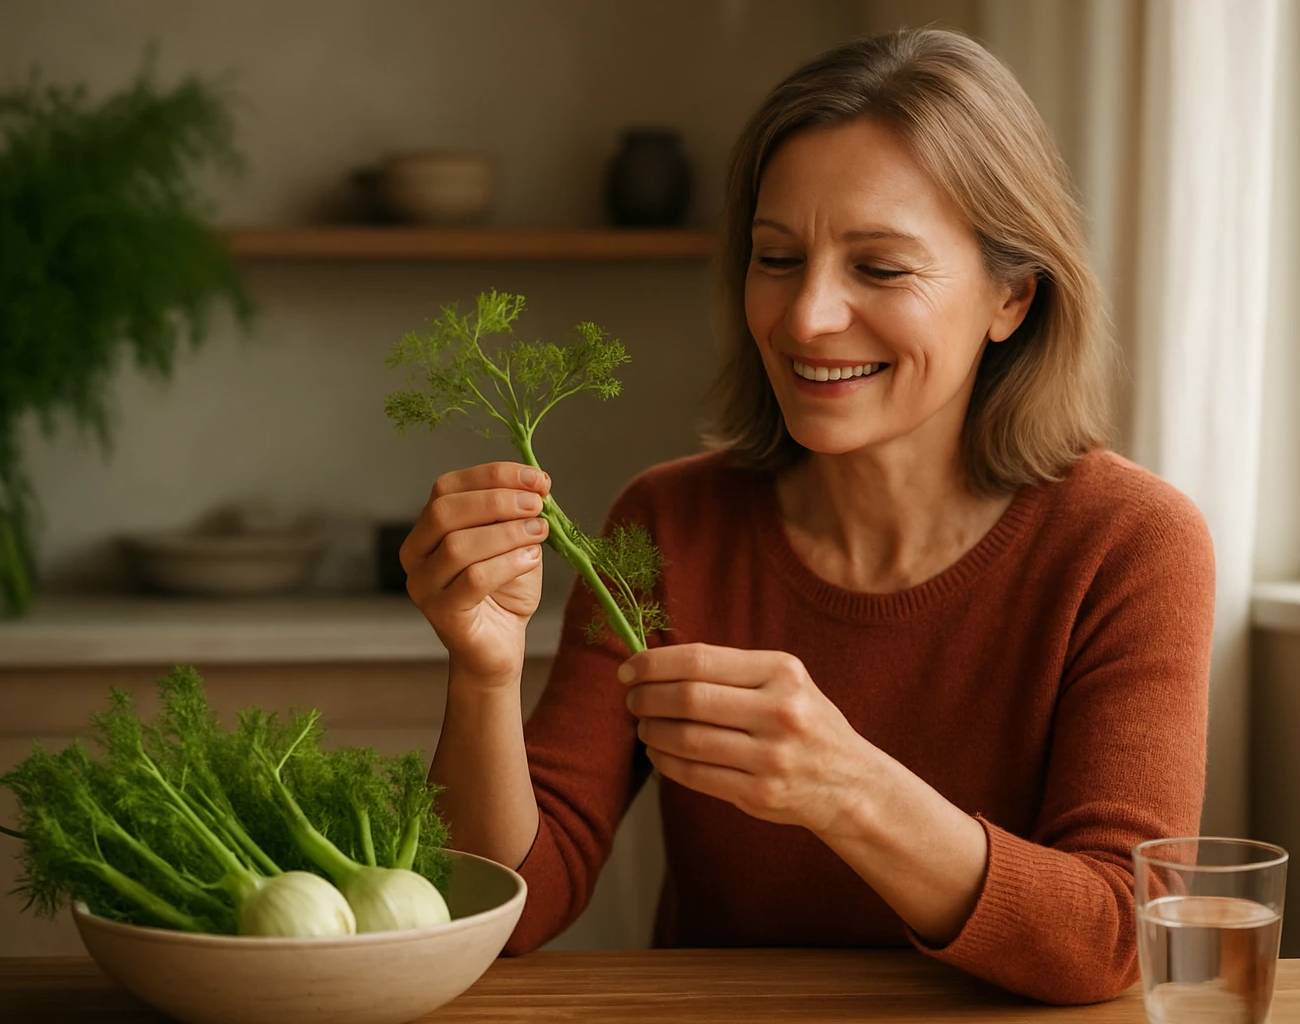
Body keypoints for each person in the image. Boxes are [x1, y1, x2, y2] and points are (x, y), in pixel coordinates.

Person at [405, 26, 1213, 1006]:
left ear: (1012, 298)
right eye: (777, 257)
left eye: (878, 268)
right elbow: (512, 905)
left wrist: (847, 788)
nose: (805, 318)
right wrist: (484, 668)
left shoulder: (1131, 543)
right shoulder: (666, 522)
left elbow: (1114, 937)